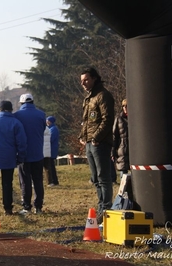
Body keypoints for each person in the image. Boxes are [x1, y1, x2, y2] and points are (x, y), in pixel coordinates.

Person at [78, 67, 115, 224]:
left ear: (94, 78)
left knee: (103, 177)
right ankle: (101, 207)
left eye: (86, 80)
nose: (83, 83)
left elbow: (107, 119)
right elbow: (87, 121)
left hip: (99, 143)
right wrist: (83, 136)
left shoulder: (103, 95)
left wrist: (96, 138)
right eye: (81, 81)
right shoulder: (89, 98)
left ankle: (106, 209)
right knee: (95, 178)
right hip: (89, 142)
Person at [14, 93, 46, 214]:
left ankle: (26, 206)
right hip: (38, 152)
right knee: (38, 181)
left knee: (25, 181)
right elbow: (43, 128)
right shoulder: (41, 115)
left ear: (21, 103)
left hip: (23, 154)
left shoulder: (16, 115)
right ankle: (38, 206)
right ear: (33, 102)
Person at [112, 99, 129, 181]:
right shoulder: (118, 118)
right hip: (122, 150)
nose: (125, 108)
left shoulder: (137, 118)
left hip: (135, 151)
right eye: (123, 106)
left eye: (127, 106)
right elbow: (114, 136)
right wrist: (112, 151)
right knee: (123, 178)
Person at [43, 116, 59, 187]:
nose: (47, 122)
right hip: (50, 149)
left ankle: (53, 180)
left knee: (51, 166)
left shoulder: (53, 129)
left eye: (48, 121)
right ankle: (55, 181)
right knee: (51, 166)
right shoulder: (50, 129)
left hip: (51, 150)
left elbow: (50, 139)